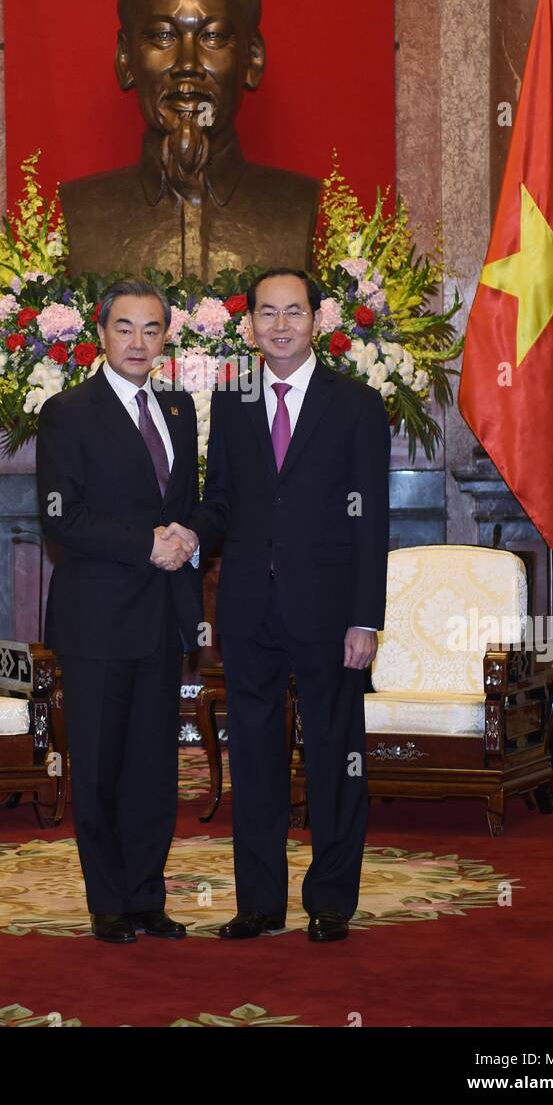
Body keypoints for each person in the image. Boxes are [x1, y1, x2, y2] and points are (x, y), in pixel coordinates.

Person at [169, 268, 390, 942]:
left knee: (332, 755)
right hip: (248, 609)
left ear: (318, 320)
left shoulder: (355, 404)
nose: (282, 325)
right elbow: (223, 499)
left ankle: (330, 901)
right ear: (252, 323)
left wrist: (365, 617)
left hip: (330, 613)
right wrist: (191, 534)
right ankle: (259, 904)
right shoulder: (234, 400)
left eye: (295, 311)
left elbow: (371, 521)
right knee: (256, 760)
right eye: (268, 313)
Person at [36, 279, 200, 943]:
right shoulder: (67, 412)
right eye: (125, 328)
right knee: (99, 766)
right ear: (100, 334)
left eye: (152, 329)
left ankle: (147, 896)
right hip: (97, 620)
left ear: (166, 338)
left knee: (156, 766)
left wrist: (189, 537)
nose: (138, 341)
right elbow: (59, 519)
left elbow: (186, 504)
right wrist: (146, 545)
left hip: (162, 617)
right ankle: (107, 900)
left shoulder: (181, 408)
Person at [60, 0, 319, 280]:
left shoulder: (295, 206)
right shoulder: (84, 210)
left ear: (252, 58)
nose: (187, 65)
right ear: (125, 59)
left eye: (212, 37)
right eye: (162, 36)